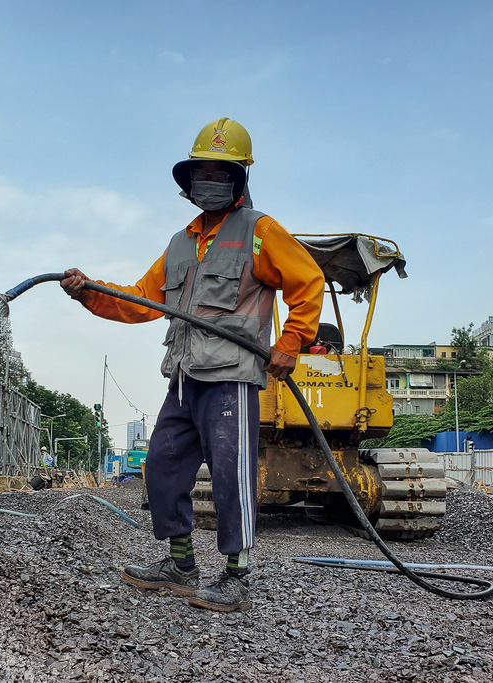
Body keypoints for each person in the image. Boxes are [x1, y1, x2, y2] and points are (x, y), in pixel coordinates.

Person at [60, 117, 324, 612]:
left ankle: (237, 577)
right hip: (183, 379)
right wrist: (90, 293)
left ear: (240, 179)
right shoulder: (180, 243)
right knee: (160, 465)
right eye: (201, 172)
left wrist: (292, 341)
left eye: (220, 172)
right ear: (188, 181)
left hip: (231, 379)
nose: (209, 181)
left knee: (231, 476)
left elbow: (307, 281)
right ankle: (181, 566)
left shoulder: (261, 232)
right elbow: (143, 299)